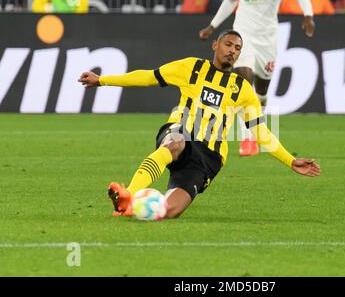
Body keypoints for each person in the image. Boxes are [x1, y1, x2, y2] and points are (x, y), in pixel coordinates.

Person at [78, 30, 321, 219]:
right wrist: (103, 80)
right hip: (181, 133)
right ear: (215, 45)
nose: (232, 51)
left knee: (170, 211)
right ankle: (128, 195)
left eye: (237, 48)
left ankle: (133, 208)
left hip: (209, 157)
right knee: (176, 142)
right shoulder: (191, 67)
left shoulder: (243, 90)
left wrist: (290, 160)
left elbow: (261, 132)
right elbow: (148, 76)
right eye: (228, 45)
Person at [198, 0, 315, 157]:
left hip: (267, 40)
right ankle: (248, 139)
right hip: (243, 35)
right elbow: (230, 0)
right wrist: (212, 26)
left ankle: (258, 117)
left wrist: (308, 16)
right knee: (244, 78)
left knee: (261, 90)